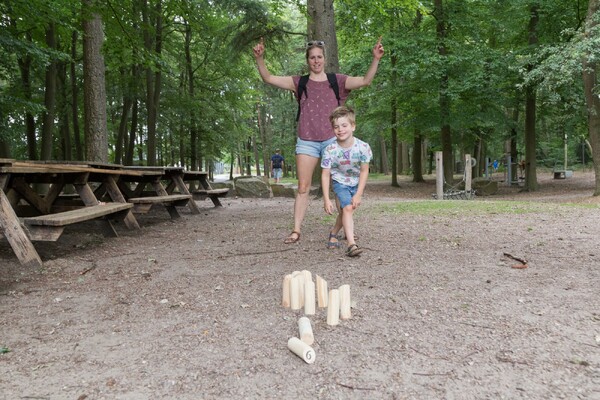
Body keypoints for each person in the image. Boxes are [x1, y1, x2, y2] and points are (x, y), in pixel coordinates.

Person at [253, 36, 384, 244]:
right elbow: (268, 78)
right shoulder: (300, 82)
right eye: (312, 58)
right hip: (307, 141)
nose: (316, 61)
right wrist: (260, 59)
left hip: (335, 142)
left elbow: (365, 81)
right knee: (303, 187)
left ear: (324, 59)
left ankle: (347, 231)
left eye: (319, 57)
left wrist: (375, 58)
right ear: (308, 60)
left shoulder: (337, 81)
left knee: (341, 186)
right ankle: (296, 230)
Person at [321, 106, 372, 257]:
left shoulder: (363, 148)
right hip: (339, 182)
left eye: (344, 125)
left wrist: (359, 194)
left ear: (353, 126)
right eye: (336, 127)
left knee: (345, 212)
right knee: (347, 209)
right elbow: (325, 174)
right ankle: (351, 245)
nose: (340, 129)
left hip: (356, 183)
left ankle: (333, 232)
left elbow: (364, 171)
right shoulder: (330, 150)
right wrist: (326, 199)